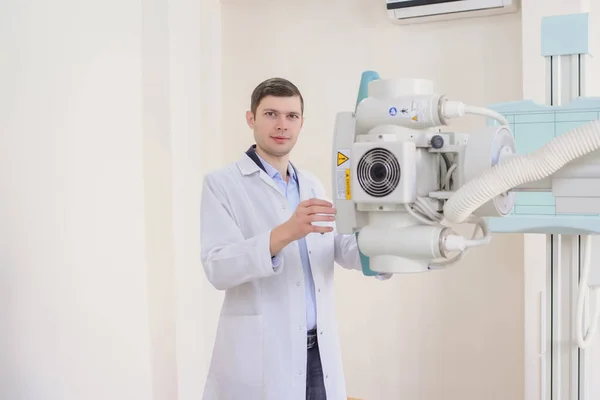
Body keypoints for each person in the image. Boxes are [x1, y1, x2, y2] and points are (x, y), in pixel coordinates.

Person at [200, 77, 390, 400]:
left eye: (291, 116)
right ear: (251, 119)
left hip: (318, 354)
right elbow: (217, 266)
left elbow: (341, 247)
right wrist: (286, 232)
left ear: (301, 124)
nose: (282, 125)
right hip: (265, 357)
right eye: (271, 114)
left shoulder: (313, 184)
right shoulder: (222, 185)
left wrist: (388, 245)